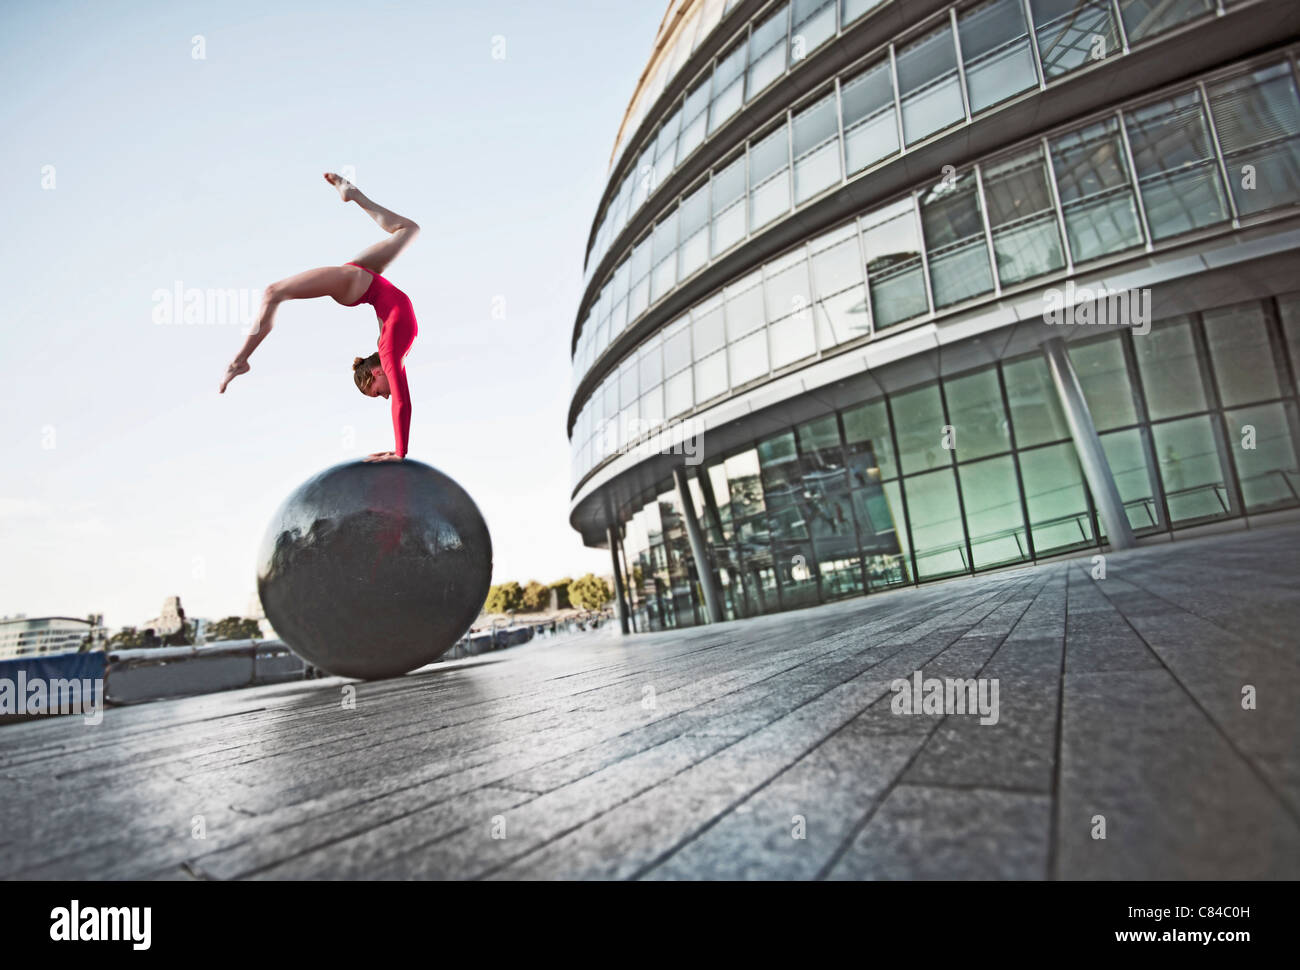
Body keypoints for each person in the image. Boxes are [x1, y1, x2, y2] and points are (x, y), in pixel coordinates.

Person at [219, 173, 421, 462]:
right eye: (377, 395)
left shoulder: (390, 347)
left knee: (274, 293)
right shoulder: (389, 351)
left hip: (363, 282)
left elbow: (400, 399)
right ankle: (240, 361)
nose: (385, 397)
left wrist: (400, 451)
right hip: (359, 282)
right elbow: (402, 403)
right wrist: (400, 454)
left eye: (377, 394)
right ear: (377, 372)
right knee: (273, 292)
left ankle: (354, 195)